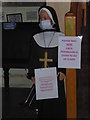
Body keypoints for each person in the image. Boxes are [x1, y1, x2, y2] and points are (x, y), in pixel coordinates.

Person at [29, 5, 66, 119]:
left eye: (46, 18)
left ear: (52, 19)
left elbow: (64, 57)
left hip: (55, 78)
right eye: (41, 18)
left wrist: (63, 71)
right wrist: (32, 75)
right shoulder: (35, 38)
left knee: (56, 107)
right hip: (42, 80)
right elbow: (32, 58)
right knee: (43, 108)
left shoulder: (62, 37)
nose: (43, 20)